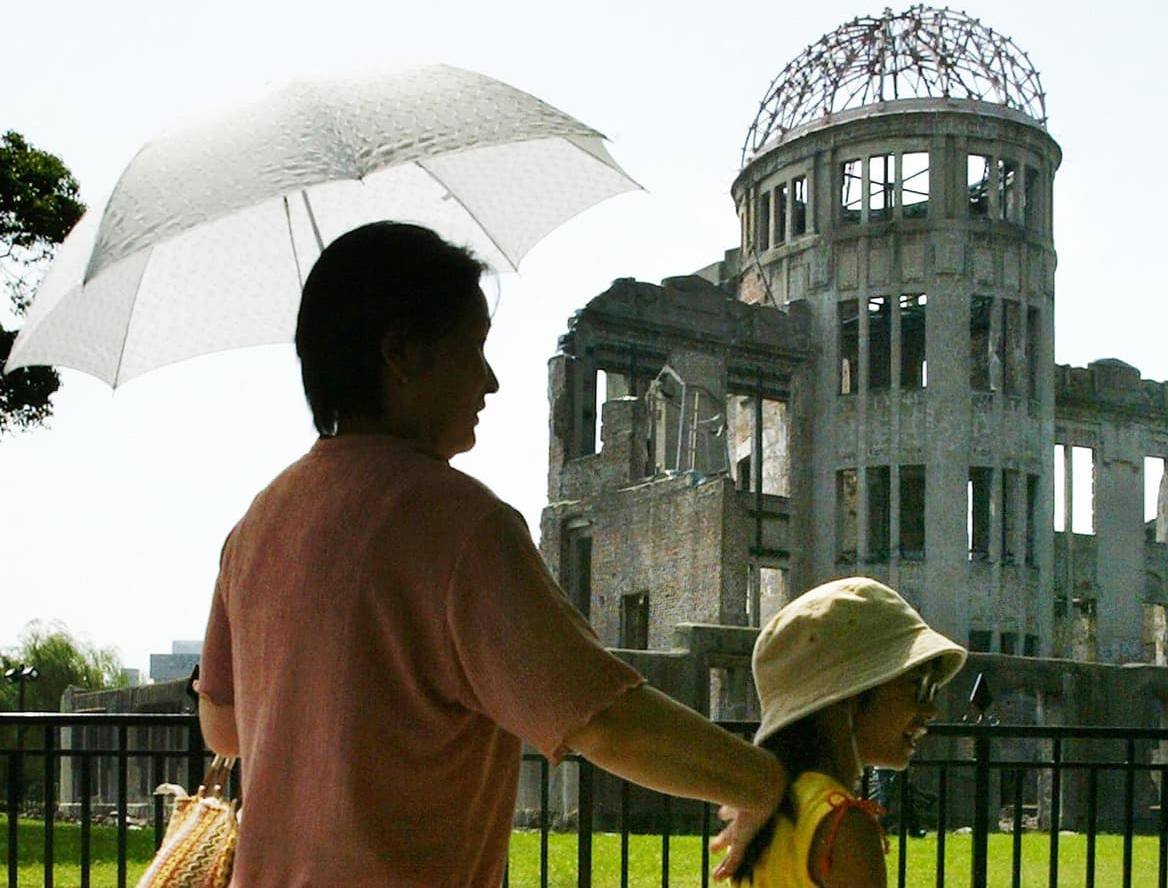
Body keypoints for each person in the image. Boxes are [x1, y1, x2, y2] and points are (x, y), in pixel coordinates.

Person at [196, 222, 783, 887]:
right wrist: (764, 780)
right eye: (474, 347)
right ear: (402, 352)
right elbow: (603, 717)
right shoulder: (458, 526)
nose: (491, 381)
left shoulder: (255, 527)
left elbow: (222, 729)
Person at [730, 577, 966, 888]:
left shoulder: (769, 812)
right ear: (850, 695)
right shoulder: (845, 826)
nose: (930, 711)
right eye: (919, 686)